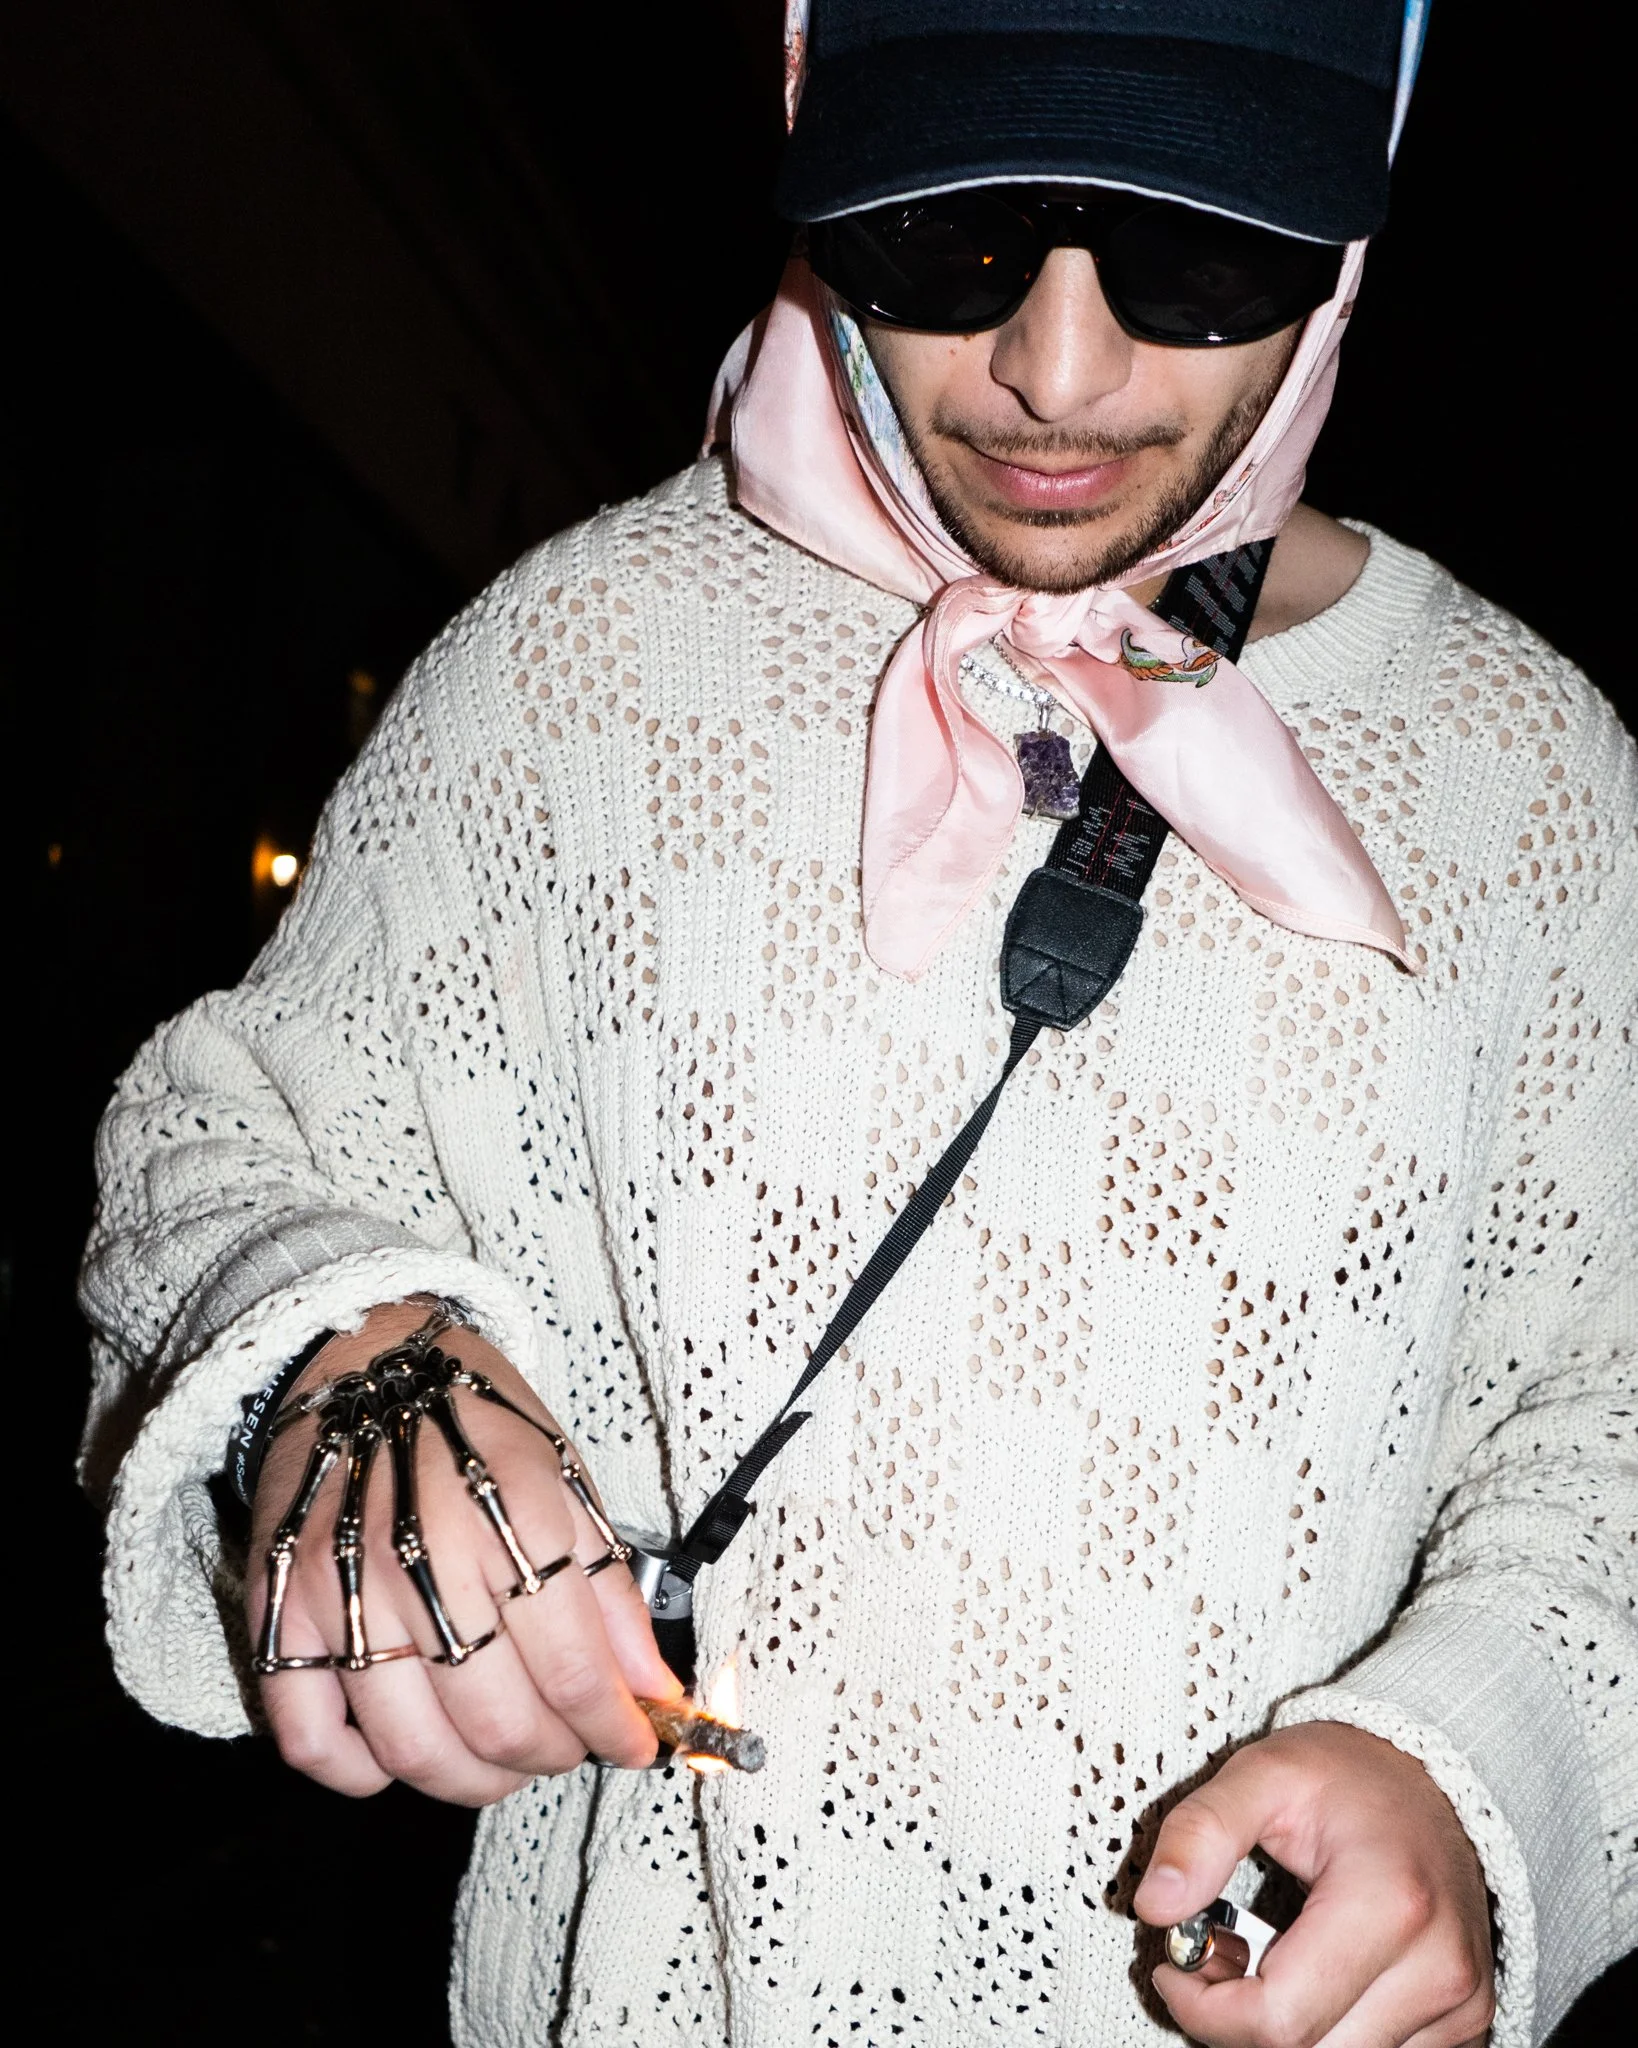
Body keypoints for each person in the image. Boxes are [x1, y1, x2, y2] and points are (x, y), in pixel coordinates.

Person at [82, 4, 1635, 2045]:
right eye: (948, 238)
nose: (1055, 374)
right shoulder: (575, 669)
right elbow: (222, 1138)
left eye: (1202, 252)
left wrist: (1475, 1764)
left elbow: (1608, 1423)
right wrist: (338, 1347)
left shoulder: (1538, 787)